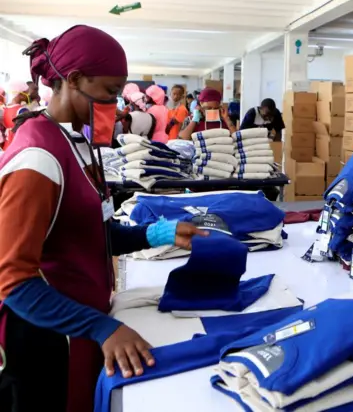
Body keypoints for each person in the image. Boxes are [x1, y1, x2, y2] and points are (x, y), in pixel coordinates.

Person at [0, 25, 208, 412]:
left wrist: (157, 233)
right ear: (74, 80)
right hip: (50, 339)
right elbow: (13, 282)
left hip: (81, 323)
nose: (116, 104)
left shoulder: (77, 144)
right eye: (110, 92)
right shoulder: (37, 159)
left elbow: (92, 231)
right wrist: (101, 327)